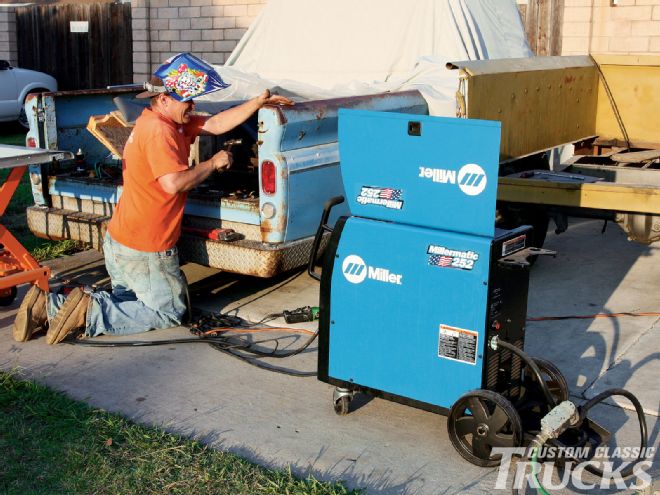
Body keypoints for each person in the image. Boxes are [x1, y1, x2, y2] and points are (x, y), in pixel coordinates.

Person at [13, 52, 293, 345]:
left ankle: (48, 307)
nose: (193, 106)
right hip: (147, 247)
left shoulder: (165, 121)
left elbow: (216, 124)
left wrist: (258, 101)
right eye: (188, 100)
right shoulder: (161, 132)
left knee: (127, 302)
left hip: (121, 239)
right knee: (169, 312)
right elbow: (173, 184)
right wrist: (212, 163)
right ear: (164, 99)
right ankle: (89, 313)